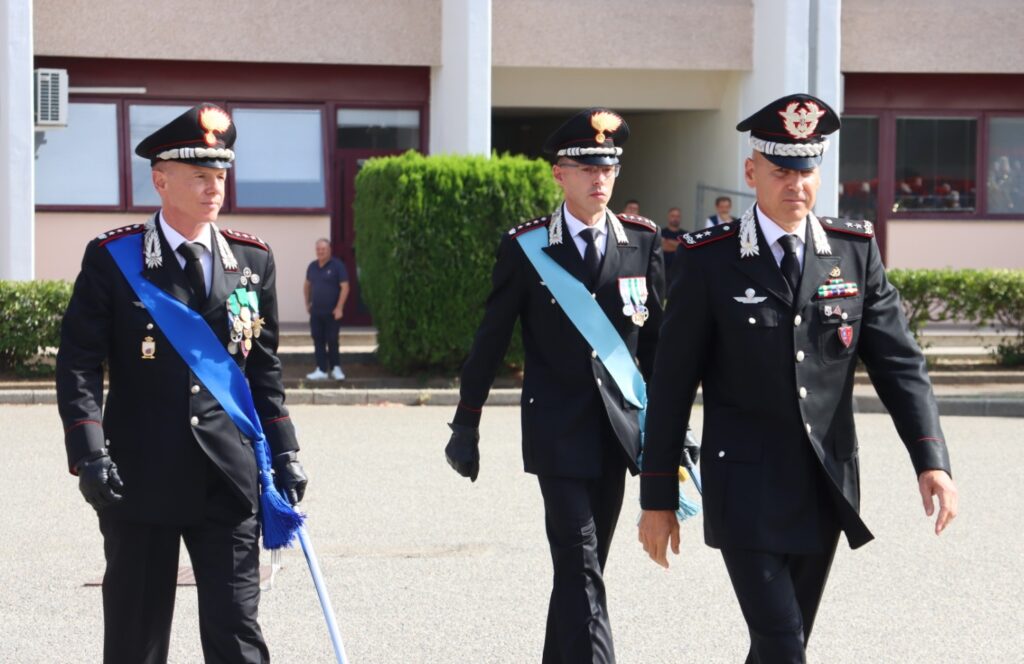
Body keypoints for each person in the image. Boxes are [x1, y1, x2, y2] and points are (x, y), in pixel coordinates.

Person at [637, 94, 958, 663]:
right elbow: (671, 384)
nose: (797, 185)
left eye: (806, 171)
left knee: (781, 645)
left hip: (822, 487)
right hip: (745, 492)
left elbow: (899, 364)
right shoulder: (708, 259)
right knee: (784, 645)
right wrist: (658, 495)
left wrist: (931, 459)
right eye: (782, 171)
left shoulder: (854, 253)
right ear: (751, 172)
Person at [56, 103, 308, 664]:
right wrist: (89, 453)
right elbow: (78, 362)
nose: (213, 187)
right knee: (137, 639)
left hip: (228, 477)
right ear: (160, 179)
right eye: (198, 175)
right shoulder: (113, 258)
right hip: (141, 477)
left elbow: (263, 369)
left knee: (238, 635)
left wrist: (286, 451)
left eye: (220, 175)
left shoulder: (252, 260)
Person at [444, 108, 664, 663]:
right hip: (557, 434)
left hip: (618, 433)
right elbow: (491, 340)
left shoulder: (642, 242)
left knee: (580, 571)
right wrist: (465, 424)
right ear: (557, 175)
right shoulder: (527, 247)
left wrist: (668, 430)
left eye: (608, 168)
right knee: (580, 560)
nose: (599, 179)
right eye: (585, 167)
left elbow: (660, 348)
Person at [304, 238, 350, 381]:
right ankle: (321, 370)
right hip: (316, 312)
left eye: (323, 249)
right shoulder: (312, 266)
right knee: (318, 339)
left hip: (333, 313)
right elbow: (306, 285)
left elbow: (345, 287)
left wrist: (339, 308)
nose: (320, 252)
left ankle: (336, 368)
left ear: (329, 250)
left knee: (332, 340)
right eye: (318, 249)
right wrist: (307, 303)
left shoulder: (337, 266)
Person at [661, 206, 686, 279]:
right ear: (668, 217)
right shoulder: (660, 233)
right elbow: (663, 247)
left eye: (678, 216)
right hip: (664, 272)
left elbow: (686, 249)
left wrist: (668, 241)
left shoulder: (685, 235)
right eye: (673, 216)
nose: (675, 218)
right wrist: (679, 245)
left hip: (680, 273)